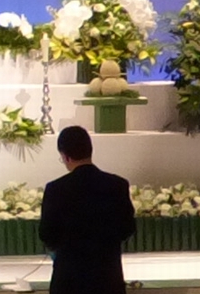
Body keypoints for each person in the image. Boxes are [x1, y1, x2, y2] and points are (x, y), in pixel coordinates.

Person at [38, 125, 136, 294]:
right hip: (107, 278)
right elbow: (127, 228)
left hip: (69, 281)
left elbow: (47, 233)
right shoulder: (117, 185)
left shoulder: (56, 189)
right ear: (90, 151)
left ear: (65, 156)